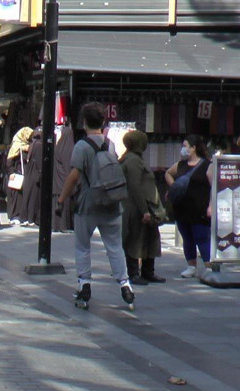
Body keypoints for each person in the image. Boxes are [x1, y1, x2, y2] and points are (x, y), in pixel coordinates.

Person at [57, 102, 134, 309]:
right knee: (115, 246)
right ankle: (125, 285)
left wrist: (62, 199)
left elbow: (74, 175)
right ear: (103, 121)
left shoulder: (81, 146)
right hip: (111, 203)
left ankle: (84, 285)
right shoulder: (110, 145)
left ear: (83, 122)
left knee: (82, 246)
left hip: (88, 203)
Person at [164, 134, 213, 278]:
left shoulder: (207, 165)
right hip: (182, 207)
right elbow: (168, 173)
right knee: (187, 237)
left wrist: (210, 206)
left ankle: (208, 265)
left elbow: (213, 187)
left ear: (194, 148)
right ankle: (191, 266)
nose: (183, 149)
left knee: (202, 237)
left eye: (185, 146)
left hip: (199, 208)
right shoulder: (180, 164)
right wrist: (174, 187)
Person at [121, 130, 165, 285]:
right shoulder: (133, 161)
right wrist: (144, 210)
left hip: (146, 206)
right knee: (135, 239)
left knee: (149, 238)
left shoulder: (136, 159)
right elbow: (135, 186)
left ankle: (148, 271)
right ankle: (133, 273)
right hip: (136, 208)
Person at [6, 127, 33, 226]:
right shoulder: (16, 145)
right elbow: (9, 160)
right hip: (17, 174)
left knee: (22, 196)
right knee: (15, 196)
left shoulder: (28, 146)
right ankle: (14, 215)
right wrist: (11, 172)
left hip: (24, 174)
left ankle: (21, 215)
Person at [52, 123, 75, 232]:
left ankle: (56, 225)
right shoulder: (69, 148)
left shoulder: (58, 147)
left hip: (57, 179)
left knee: (57, 200)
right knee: (65, 201)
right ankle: (64, 225)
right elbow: (69, 166)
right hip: (65, 180)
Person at [21, 127, 43, 227]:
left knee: (27, 196)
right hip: (34, 174)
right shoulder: (38, 145)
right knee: (33, 197)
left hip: (29, 174)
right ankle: (30, 219)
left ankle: (25, 218)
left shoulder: (32, 144)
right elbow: (39, 162)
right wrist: (41, 172)